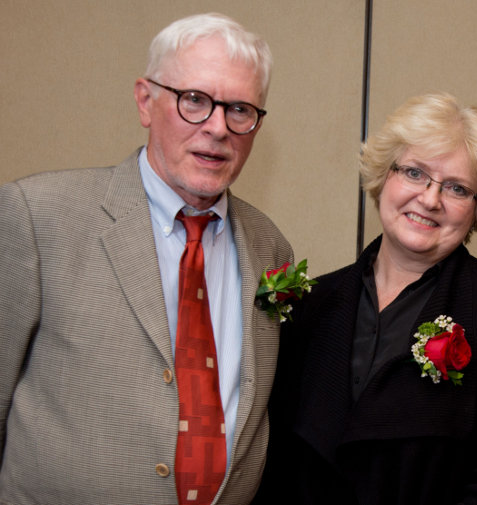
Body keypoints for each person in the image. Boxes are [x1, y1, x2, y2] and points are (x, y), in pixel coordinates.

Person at [0, 13, 293, 504]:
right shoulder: (38, 217)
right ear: (145, 100)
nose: (218, 128)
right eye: (195, 100)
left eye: (240, 109)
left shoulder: (270, 248)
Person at [259, 93, 477, 504]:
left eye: (456, 188)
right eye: (414, 173)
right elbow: (272, 457)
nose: (430, 200)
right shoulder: (313, 304)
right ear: (384, 176)